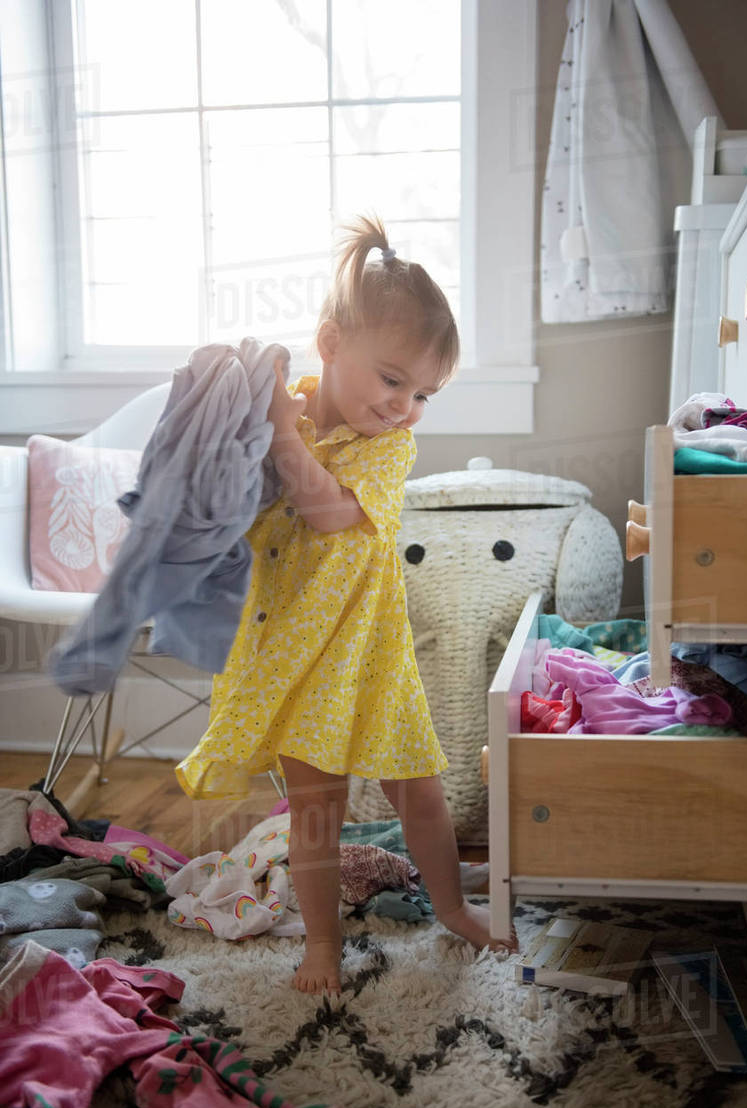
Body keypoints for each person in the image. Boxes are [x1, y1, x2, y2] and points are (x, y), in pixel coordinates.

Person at [176, 214, 518, 993]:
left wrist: (283, 437)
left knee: (420, 794)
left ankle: (452, 910)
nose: (404, 406)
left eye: (424, 393)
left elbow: (332, 516)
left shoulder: (384, 447)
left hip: (372, 648)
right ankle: (321, 945)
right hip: (297, 655)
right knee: (317, 811)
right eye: (392, 379)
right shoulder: (278, 412)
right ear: (330, 345)